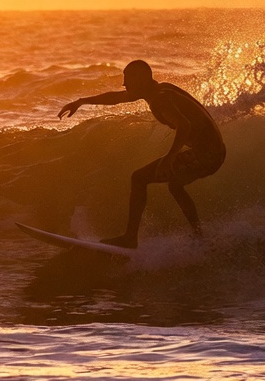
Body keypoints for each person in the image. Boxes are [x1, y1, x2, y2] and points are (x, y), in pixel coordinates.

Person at [58, 59, 225, 248]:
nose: (124, 84)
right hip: (216, 151)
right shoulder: (159, 89)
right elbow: (117, 97)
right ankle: (198, 235)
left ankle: (130, 238)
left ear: (141, 80)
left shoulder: (159, 99)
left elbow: (184, 125)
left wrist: (169, 158)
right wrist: (82, 101)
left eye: (128, 79)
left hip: (207, 154)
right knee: (175, 185)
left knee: (138, 178)